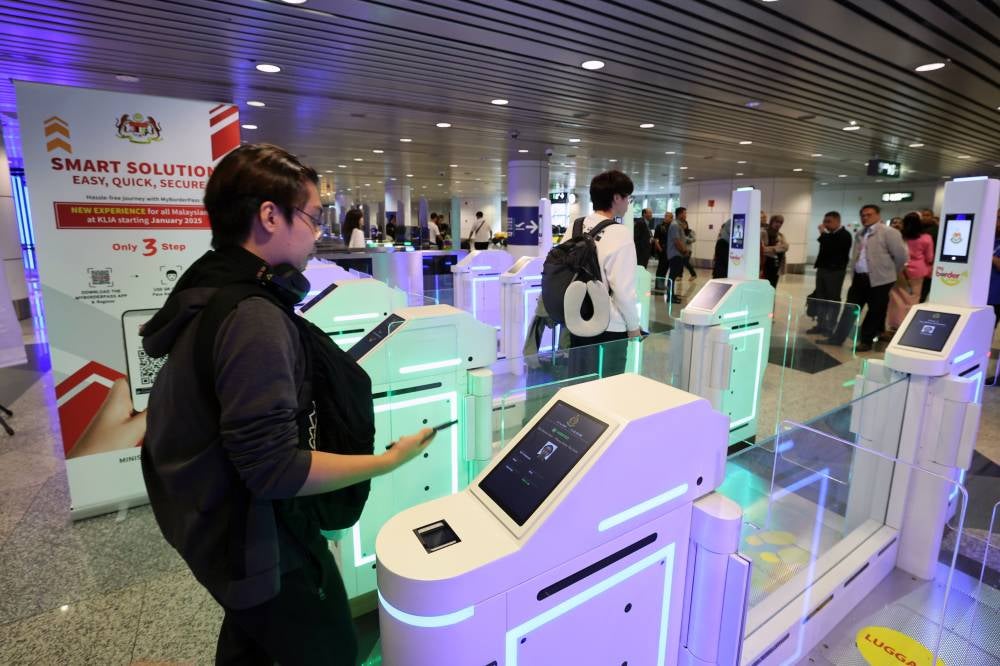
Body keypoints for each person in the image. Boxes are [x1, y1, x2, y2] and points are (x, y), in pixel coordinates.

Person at [139, 144, 435, 665]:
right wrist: (389, 462)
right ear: (269, 216)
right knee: (327, 648)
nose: (317, 232)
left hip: (215, 526)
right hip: (261, 541)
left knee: (253, 643)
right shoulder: (253, 316)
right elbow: (273, 468)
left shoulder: (210, 288)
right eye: (312, 217)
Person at [568, 170, 641, 376]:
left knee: (581, 384)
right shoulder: (620, 233)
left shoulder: (575, 226)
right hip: (609, 325)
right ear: (616, 197)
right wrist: (634, 327)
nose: (628, 203)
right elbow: (623, 291)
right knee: (608, 389)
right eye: (627, 197)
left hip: (576, 318)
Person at [820, 204, 908, 352]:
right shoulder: (860, 233)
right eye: (863, 215)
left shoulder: (889, 232)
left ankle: (866, 341)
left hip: (880, 280)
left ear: (878, 215)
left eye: (869, 215)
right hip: (860, 278)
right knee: (851, 308)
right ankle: (837, 338)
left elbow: (900, 256)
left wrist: (891, 273)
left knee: (874, 311)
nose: (865, 218)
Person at [886, 212, 934, 334]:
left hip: (899, 270)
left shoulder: (899, 236)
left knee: (896, 299)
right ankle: (908, 324)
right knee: (913, 298)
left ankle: (895, 324)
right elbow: (929, 257)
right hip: (918, 272)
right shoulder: (926, 238)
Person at [807, 211, 852, 336]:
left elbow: (832, 248)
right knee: (820, 297)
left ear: (838, 221)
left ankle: (830, 326)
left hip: (835, 272)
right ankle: (820, 324)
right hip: (823, 269)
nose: (825, 224)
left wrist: (822, 233)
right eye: (824, 221)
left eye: (829, 221)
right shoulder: (830, 235)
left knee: (832, 299)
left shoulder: (844, 235)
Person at [762, 214, 788, 289]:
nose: (778, 224)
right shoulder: (763, 233)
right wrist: (777, 249)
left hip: (776, 265)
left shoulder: (780, 235)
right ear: (771, 222)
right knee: (764, 286)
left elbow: (786, 247)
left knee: (773, 286)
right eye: (776, 222)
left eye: (780, 223)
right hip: (765, 265)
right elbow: (762, 249)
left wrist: (771, 249)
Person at [653, 211, 674, 293]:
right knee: (661, 268)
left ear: (672, 218)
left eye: (668, 216)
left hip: (670, 251)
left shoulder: (672, 226)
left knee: (665, 268)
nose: (666, 217)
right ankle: (658, 285)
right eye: (665, 216)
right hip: (662, 250)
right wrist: (660, 249)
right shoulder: (660, 226)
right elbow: (656, 239)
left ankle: (662, 284)